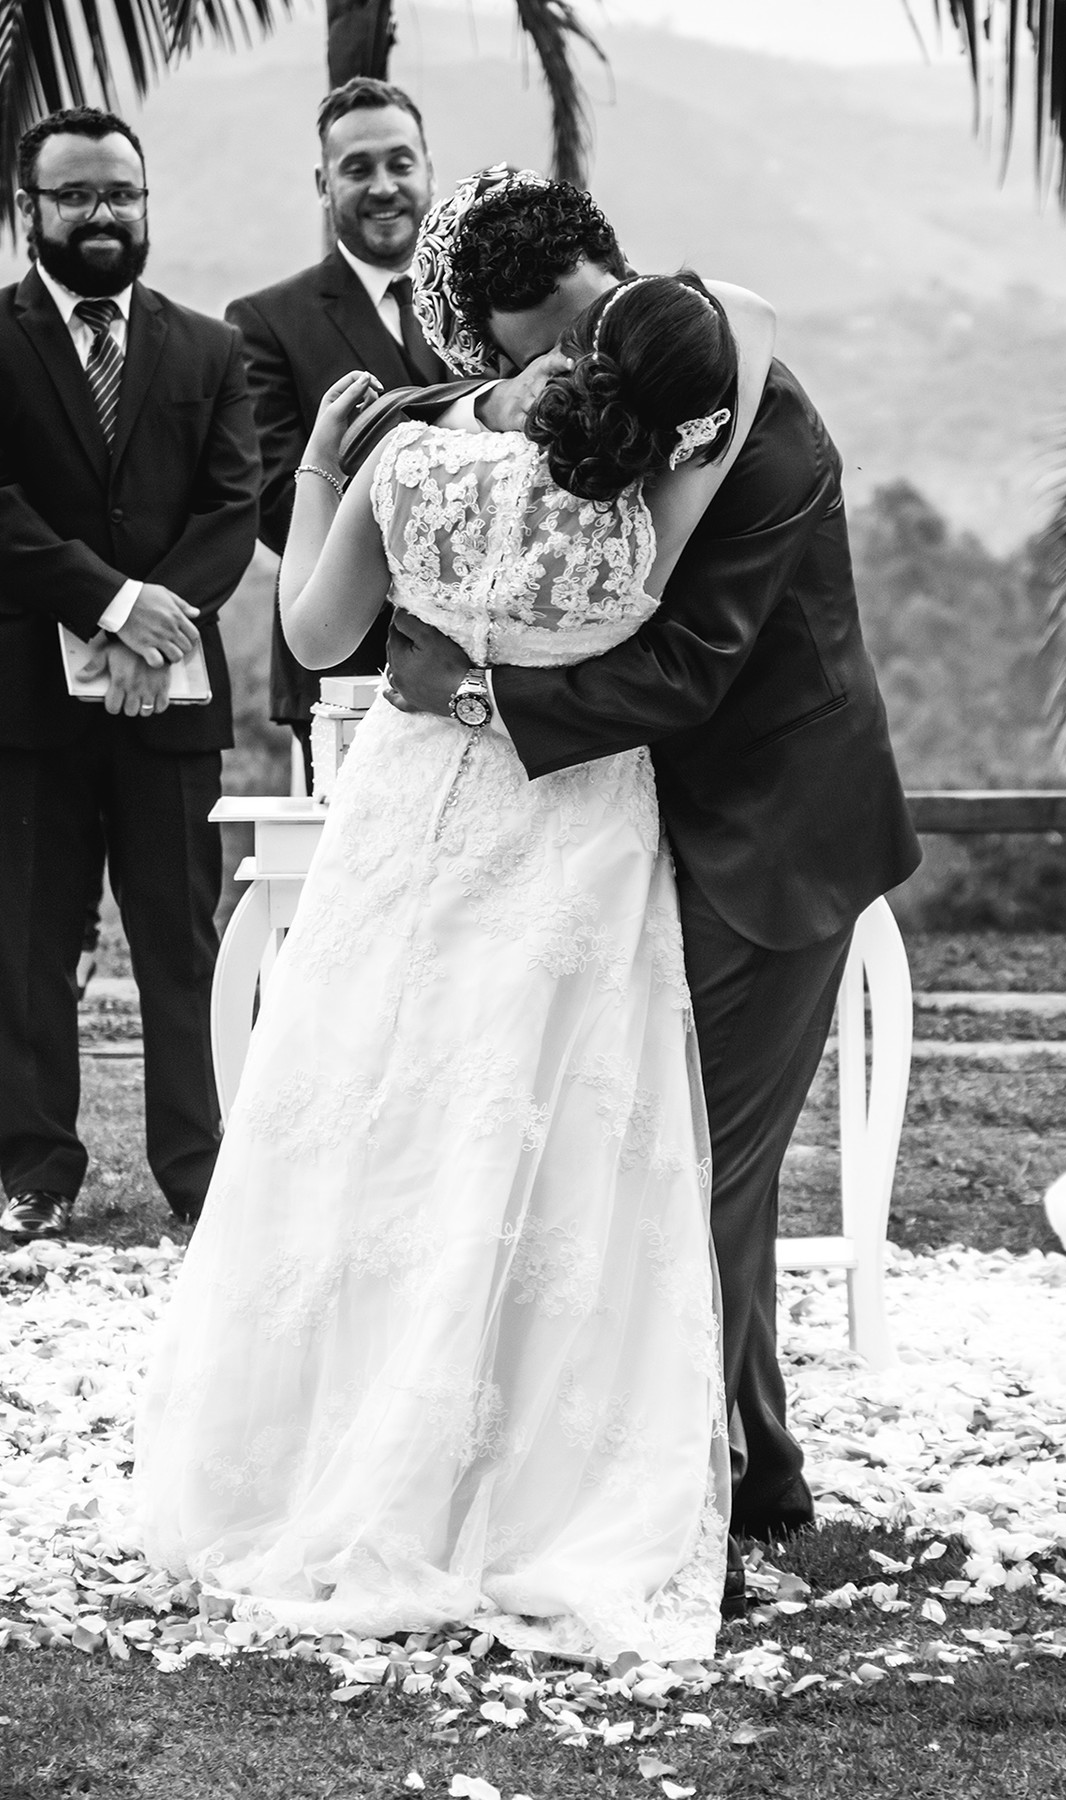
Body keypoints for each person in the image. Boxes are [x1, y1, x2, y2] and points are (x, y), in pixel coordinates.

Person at [136, 269, 779, 1660]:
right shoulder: (649, 511)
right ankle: (521, 1478)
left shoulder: (406, 459)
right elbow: (747, 334)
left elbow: (312, 639)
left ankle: (320, 1459)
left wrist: (319, 456)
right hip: (571, 836)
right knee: (539, 1151)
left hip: (405, 818)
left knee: (370, 1134)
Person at [362, 173, 922, 1557]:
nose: (575, 372)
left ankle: (701, 1495)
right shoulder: (633, 411)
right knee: (652, 1161)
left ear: (615, 269)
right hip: (645, 834)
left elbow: (683, 669)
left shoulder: (757, 425)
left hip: (772, 841)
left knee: (699, 1174)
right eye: (541, 353)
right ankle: (755, 1470)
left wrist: (479, 696)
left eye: (585, 327)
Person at [0, 106, 260, 1242]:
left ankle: (200, 1179)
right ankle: (38, 1181)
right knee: (25, 945)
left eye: (120, 192)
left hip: (167, 701)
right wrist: (116, 608)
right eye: (75, 195)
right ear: (33, 209)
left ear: (146, 201)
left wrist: (153, 633)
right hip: (15, 696)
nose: (102, 213)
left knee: (181, 942)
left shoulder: (208, 346)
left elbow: (234, 508)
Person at [225, 77, 451, 789]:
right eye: (357, 169)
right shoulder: (266, 321)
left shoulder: (492, 301)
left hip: (486, 656)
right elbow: (273, 497)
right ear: (324, 184)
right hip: (343, 661)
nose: (383, 186)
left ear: (427, 168)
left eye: (399, 163)